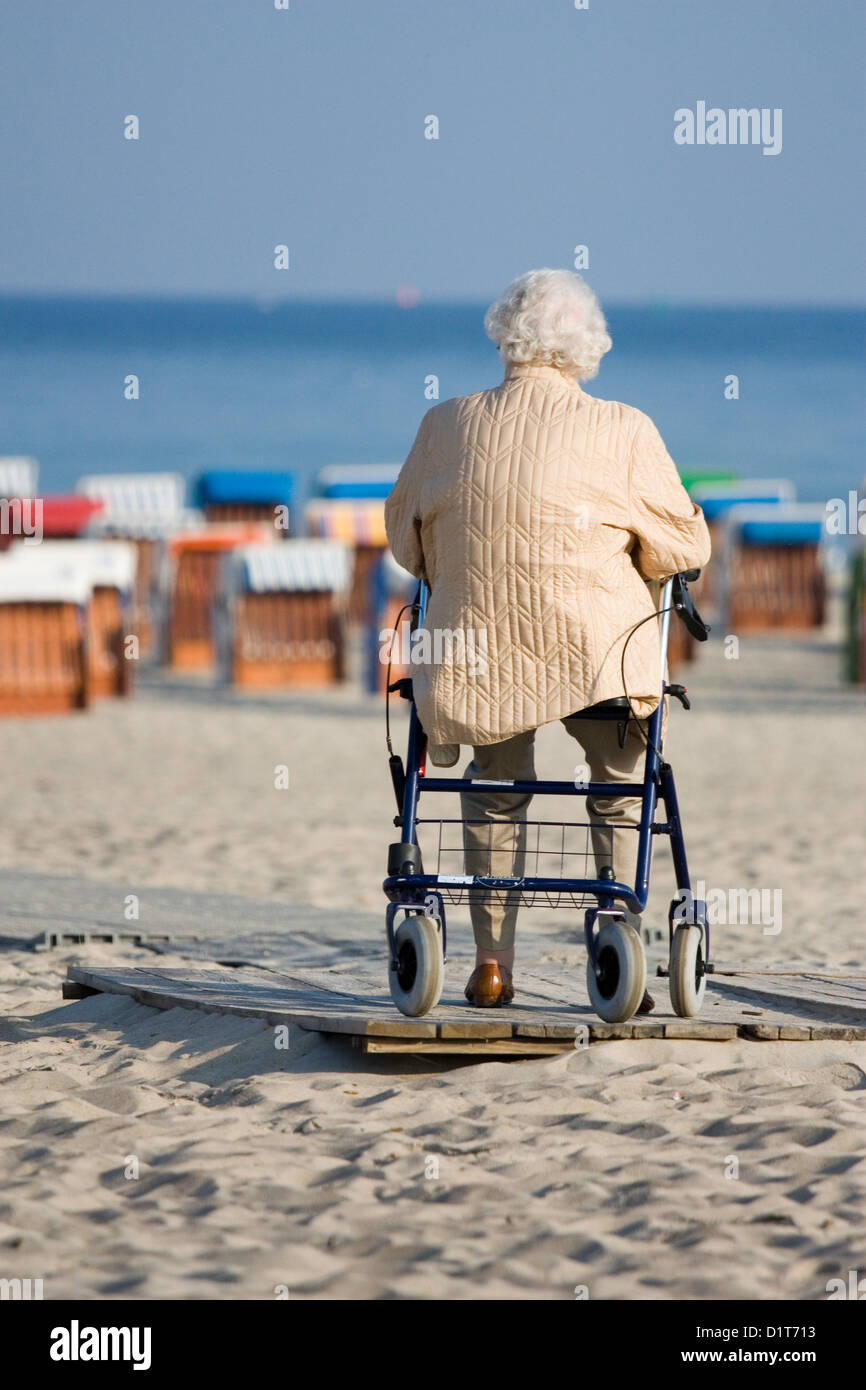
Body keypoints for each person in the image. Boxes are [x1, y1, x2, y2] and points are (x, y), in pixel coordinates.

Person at [385, 269, 711, 1007]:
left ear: (505, 336)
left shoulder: (446, 425)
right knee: (620, 781)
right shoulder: (624, 429)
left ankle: (492, 963)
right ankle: (613, 923)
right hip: (594, 652)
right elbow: (683, 546)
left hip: (476, 656)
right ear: (587, 346)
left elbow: (406, 542)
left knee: (495, 784)